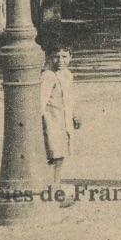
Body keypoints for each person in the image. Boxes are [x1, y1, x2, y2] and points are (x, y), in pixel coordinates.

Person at [40, 45, 80, 200]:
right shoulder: (48, 76)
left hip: (63, 122)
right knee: (53, 155)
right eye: (56, 56)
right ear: (49, 57)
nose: (60, 61)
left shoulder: (67, 75)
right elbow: (40, 102)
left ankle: (55, 185)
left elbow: (69, 98)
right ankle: (52, 188)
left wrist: (74, 114)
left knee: (61, 154)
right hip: (51, 121)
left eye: (64, 56)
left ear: (71, 57)